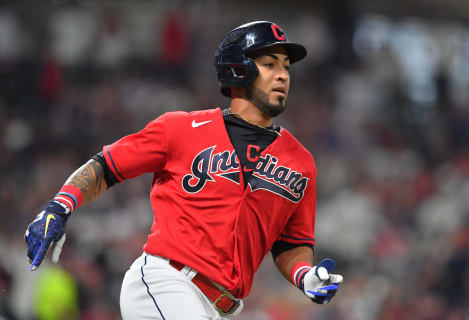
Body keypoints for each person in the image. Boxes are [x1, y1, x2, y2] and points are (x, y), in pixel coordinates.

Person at [24, 21, 343, 319]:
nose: (283, 75)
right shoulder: (181, 129)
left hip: (219, 308)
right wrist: (60, 205)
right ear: (238, 69)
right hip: (165, 280)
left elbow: (290, 243)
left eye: (286, 67)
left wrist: (305, 276)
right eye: (270, 64)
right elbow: (107, 165)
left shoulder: (301, 162)